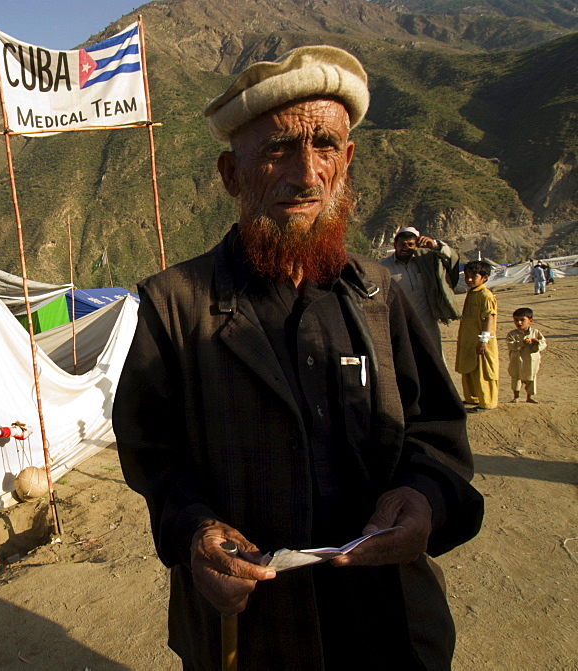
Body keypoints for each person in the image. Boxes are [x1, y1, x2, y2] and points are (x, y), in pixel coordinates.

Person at [113, 45, 484, 669]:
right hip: (251, 633)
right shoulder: (173, 305)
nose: (306, 174)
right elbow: (153, 457)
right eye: (278, 149)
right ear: (233, 175)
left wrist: (424, 498)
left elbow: (436, 434)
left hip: (386, 622)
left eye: (325, 147)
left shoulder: (378, 296)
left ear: (348, 161)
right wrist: (195, 531)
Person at [380, 226, 461, 351]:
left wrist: (433, 245)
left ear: (417, 246)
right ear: (395, 245)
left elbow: (451, 258)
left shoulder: (426, 261)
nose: (405, 248)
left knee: (433, 355)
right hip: (400, 320)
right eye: (402, 244)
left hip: (426, 318)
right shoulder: (383, 267)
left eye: (410, 244)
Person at [456, 260, 499, 412]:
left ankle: (487, 402)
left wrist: (484, 340)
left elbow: (489, 318)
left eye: (473, 277)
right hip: (469, 339)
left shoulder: (485, 295)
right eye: (467, 276)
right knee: (469, 368)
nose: (468, 280)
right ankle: (472, 397)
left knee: (483, 371)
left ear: (484, 277)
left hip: (481, 341)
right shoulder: (472, 293)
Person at [506, 307, 546, 403]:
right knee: (516, 378)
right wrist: (521, 343)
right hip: (517, 360)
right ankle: (516, 396)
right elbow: (511, 345)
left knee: (531, 378)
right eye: (516, 320)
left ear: (530, 321)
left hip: (531, 360)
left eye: (522, 320)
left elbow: (543, 343)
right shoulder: (512, 334)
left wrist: (536, 343)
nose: (519, 323)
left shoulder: (535, 332)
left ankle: (530, 397)